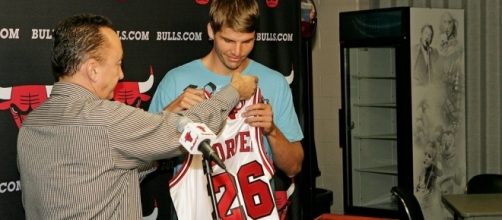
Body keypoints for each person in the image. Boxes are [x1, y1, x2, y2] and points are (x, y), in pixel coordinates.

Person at [16, 13, 257, 220]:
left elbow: (106, 174)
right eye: (118, 63)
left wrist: (161, 128)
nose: (121, 74)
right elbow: (190, 131)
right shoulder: (105, 119)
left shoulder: (31, 125)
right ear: (92, 69)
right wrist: (234, 91)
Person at [148, 0, 304, 218]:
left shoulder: (274, 82)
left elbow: (294, 166)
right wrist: (170, 113)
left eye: (247, 41)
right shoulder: (177, 81)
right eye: (228, 40)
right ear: (211, 31)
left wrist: (272, 130)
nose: (237, 51)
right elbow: (145, 156)